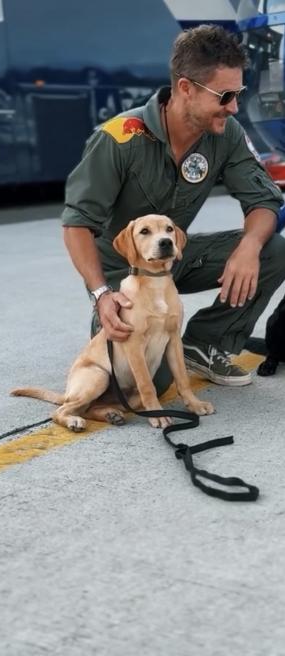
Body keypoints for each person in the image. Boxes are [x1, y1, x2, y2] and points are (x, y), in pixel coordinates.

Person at [62, 24, 285, 394]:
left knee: (273, 249)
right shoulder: (119, 138)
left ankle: (205, 342)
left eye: (239, 94)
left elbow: (263, 199)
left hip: (174, 258)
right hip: (125, 275)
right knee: (145, 385)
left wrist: (249, 246)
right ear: (186, 88)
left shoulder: (226, 133)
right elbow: (76, 224)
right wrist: (101, 294)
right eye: (225, 96)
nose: (234, 107)